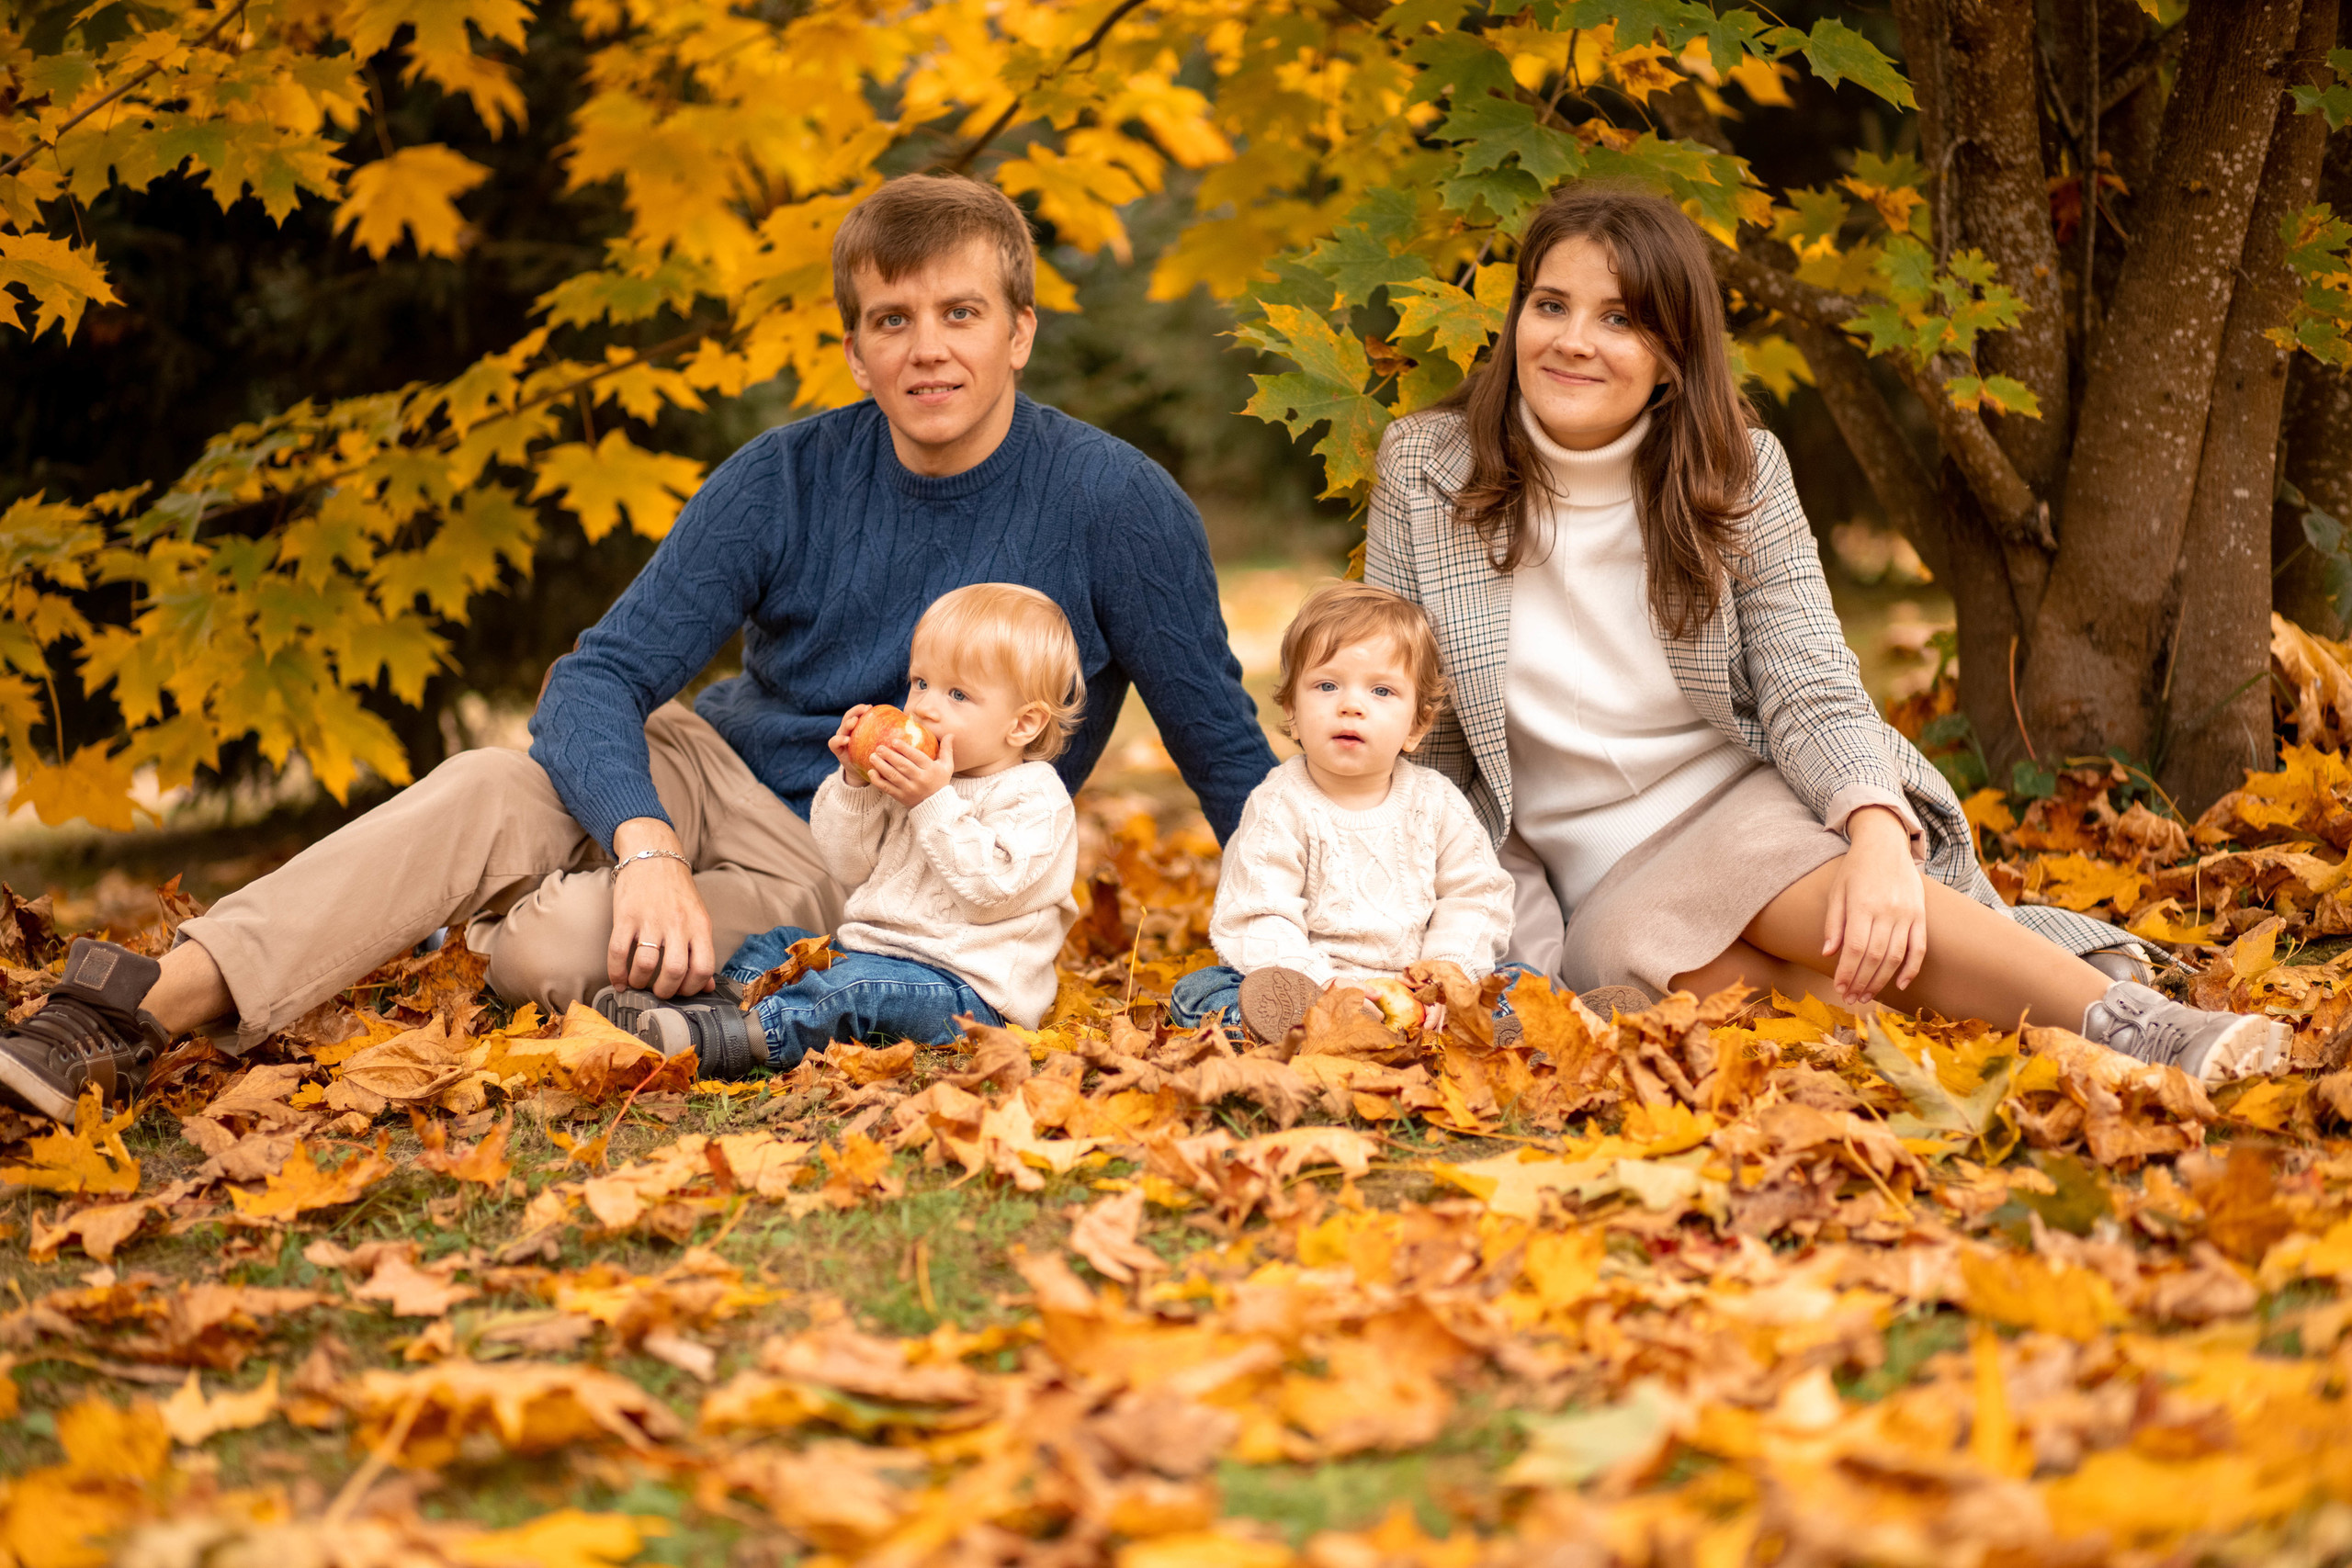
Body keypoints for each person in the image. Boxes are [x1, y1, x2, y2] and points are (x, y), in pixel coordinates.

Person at [0, 174, 1276, 1129]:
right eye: (892, 319)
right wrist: (649, 841)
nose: (927, 346)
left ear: (1020, 331)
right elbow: (601, 677)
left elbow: (1219, 740)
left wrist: (1320, 943)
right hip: (710, 769)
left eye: (959, 312)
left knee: (544, 952)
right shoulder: (785, 475)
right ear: (854, 346)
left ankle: (530, 905)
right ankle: (127, 1008)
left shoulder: (1117, 504)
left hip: (877, 859)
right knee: (490, 785)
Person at [1365, 181, 2286, 1085]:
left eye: (1618, 319)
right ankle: (2059, 1047)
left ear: (1672, 356)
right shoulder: (1426, 468)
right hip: (1582, 878)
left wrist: (1877, 834)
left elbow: (1805, 675)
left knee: (1796, 888)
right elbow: (1411, 728)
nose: (1571, 340)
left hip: (1743, 801)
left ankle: (2136, 1025)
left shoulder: (1738, 470)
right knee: (1672, 982)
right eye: (1550, 305)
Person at [600, 583, 1082, 1071]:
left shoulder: (1036, 798)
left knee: (850, 990)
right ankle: (702, 1011)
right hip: (872, 955)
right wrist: (855, 781)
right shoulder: (917, 777)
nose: (923, 708)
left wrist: (932, 803)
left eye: (957, 694)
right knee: (776, 944)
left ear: (1022, 725)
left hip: (968, 995)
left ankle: (735, 1039)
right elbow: (848, 864)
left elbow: (990, 892)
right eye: (920, 683)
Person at [1167, 581, 1516, 1043]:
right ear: (1292, 709)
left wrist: (1447, 973)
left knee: (1522, 978)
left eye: (1382, 691)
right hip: (1312, 988)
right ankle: (1299, 1028)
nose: (1351, 705)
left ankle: (1496, 1027)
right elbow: (1258, 914)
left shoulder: (1437, 801)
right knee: (1199, 991)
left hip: (1421, 994)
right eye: (1327, 685)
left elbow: (1477, 895)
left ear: (1417, 725)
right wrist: (1324, 983)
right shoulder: (1278, 804)